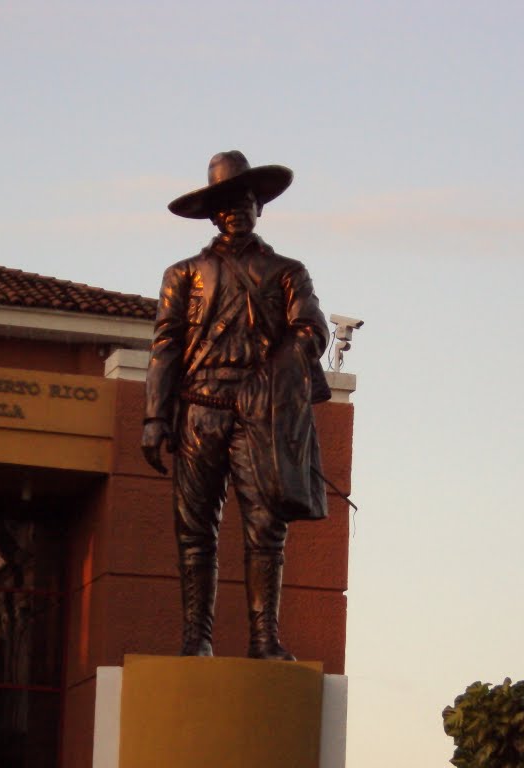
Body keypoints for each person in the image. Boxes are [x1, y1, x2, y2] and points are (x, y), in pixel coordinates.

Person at [142, 150, 330, 661]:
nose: (236, 210)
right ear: (212, 213)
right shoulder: (183, 274)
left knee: (266, 528)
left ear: (259, 207)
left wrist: (279, 366)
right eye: (226, 203)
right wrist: (156, 417)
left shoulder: (288, 272)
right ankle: (195, 638)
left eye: (245, 200)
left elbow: (312, 328)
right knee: (194, 530)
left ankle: (265, 639)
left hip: (258, 414)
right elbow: (165, 344)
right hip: (198, 409)